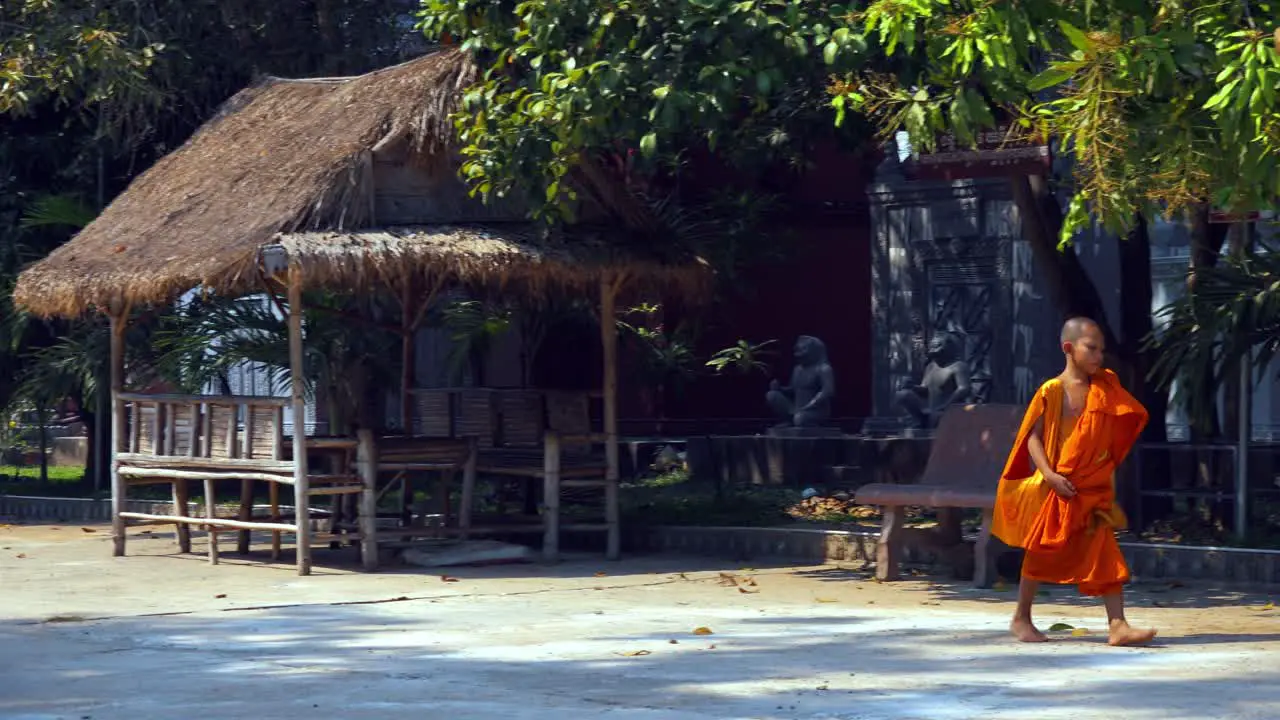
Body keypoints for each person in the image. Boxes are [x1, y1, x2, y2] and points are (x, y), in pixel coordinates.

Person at [992, 317, 1157, 646]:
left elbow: (1111, 430)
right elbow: (1032, 439)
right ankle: (1021, 616)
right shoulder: (1052, 391)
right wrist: (1050, 476)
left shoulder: (1104, 388)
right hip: (1059, 486)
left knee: (1104, 548)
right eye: (1091, 349)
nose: (1099, 357)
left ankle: (1118, 624)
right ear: (1069, 348)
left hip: (1090, 487)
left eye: (1102, 350)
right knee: (1042, 550)